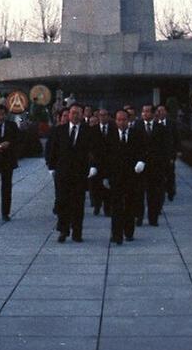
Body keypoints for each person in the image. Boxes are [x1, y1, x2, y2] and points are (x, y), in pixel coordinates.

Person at [48, 103, 98, 243]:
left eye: (78, 113)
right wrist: (51, 167)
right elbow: (54, 150)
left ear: (82, 115)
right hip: (62, 172)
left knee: (78, 203)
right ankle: (63, 230)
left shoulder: (88, 131)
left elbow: (94, 151)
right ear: (68, 114)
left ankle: (77, 232)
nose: (75, 115)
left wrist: (93, 166)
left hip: (80, 173)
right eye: (73, 112)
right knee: (63, 202)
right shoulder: (60, 130)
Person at [103, 109, 146, 244]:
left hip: (132, 176)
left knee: (129, 205)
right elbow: (105, 157)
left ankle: (128, 232)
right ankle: (116, 234)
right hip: (115, 177)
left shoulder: (136, 134)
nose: (121, 122)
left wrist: (141, 161)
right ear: (115, 121)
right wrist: (105, 176)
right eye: (119, 119)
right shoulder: (110, 136)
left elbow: (143, 151)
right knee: (116, 207)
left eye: (124, 119)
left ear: (128, 120)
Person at [133, 103, 171, 226]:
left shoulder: (161, 129)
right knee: (138, 194)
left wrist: (164, 165)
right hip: (139, 166)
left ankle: (153, 218)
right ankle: (138, 217)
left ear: (154, 114)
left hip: (155, 166)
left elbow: (165, 148)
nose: (145, 114)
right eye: (143, 111)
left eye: (148, 111)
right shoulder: (136, 127)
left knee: (153, 194)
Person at [156, 104, 180, 201]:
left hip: (169, 154)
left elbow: (176, 138)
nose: (160, 113)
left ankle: (170, 191)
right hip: (158, 155)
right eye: (158, 111)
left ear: (166, 112)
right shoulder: (154, 123)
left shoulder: (171, 123)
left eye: (162, 110)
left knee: (170, 173)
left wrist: (177, 151)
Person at [90, 109, 112, 216]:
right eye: (101, 115)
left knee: (107, 188)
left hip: (109, 163)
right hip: (96, 162)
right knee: (96, 187)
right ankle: (97, 206)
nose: (103, 117)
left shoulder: (113, 129)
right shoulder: (93, 130)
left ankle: (107, 208)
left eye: (105, 115)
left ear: (108, 116)